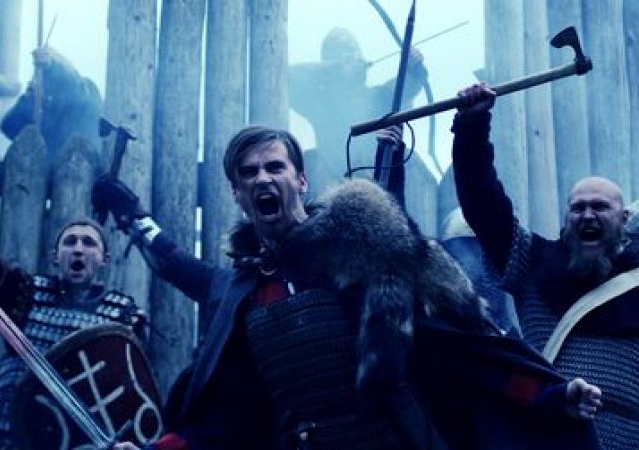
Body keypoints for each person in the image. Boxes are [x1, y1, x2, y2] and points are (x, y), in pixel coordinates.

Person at [94, 125, 602, 450]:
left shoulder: (360, 254)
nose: (263, 178)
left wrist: (550, 393)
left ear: (300, 181)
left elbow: (460, 345)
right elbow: (231, 413)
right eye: (249, 173)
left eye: (275, 167)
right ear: (237, 192)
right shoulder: (247, 292)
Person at [451, 82, 639, 450]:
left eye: (600, 207)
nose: (587, 214)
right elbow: (483, 205)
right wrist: (472, 127)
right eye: (578, 207)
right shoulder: (534, 264)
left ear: (624, 219)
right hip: (545, 432)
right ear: (567, 218)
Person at [0, 218, 147, 449]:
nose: (78, 250)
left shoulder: (122, 317)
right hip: (7, 437)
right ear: (56, 256)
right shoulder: (24, 293)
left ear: (104, 259)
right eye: (70, 242)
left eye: (89, 243)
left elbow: (127, 401)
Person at [289, 27, 427, 198]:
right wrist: (336, 68)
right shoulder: (320, 104)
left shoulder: (379, 97)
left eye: (356, 53)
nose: (355, 58)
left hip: (379, 189)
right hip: (333, 190)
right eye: (344, 55)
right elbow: (286, 77)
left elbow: (409, 85)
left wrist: (414, 67)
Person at [0, 47, 103, 168]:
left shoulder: (86, 91)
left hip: (84, 170)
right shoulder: (43, 111)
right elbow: (8, 127)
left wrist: (52, 66)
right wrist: (29, 97)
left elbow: (75, 87)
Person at [440, 207, 521, 337]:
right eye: (467, 246)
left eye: (478, 247)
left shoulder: (496, 290)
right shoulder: (441, 316)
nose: (477, 255)